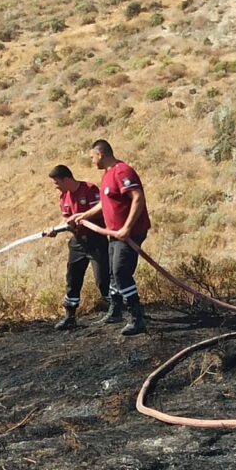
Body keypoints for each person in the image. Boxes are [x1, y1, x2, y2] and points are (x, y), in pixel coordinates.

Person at [70, 139, 151, 336]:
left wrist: (127, 227)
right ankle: (115, 311)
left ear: (101, 154)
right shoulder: (107, 176)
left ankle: (136, 316)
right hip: (115, 234)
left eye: (92, 157)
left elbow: (137, 198)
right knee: (113, 274)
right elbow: (105, 204)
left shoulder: (122, 171)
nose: (91, 161)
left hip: (129, 233)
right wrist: (83, 216)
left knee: (121, 272)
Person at [45, 165, 110, 330]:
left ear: (66, 179)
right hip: (78, 242)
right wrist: (55, 229)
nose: (56, 186)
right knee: (73, 279)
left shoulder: (89, 189)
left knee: (103, 279)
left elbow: (101, 211)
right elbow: (66, 220)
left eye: (57, 182)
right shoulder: (64, 196)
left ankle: (118, 311)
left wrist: (81, 217)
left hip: (96, 240)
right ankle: (70, 317)